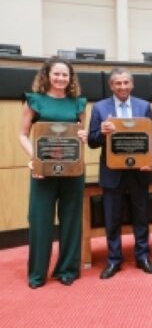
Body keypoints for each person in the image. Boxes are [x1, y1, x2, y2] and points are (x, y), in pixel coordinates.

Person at [18, 56, 87, 289]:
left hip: (72, 172)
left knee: (71, 220)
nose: (60, 78)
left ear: (70, 78)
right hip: (42, 173)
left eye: (65, 75)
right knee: (40, 222)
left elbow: (82, 136)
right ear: (47, 75)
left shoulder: (78, 103)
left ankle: (67, 270)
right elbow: (22, 135)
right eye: (56, 74)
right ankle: (37, 274)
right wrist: (35, 159)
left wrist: (83, 137)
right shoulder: (33, 101)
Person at [88, 67, 152, 279]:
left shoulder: (143, 106)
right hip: (112, 172)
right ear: (111, 86)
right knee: (112, 218)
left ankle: (143, 256)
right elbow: (92, 141)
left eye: (126, 83)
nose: (122, 87)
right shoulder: (100, 108)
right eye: (117, 83)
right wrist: (101, 132)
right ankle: (114, 260)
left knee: (141, 216)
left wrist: (149, 158)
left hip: (139, 171)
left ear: (132, 84)